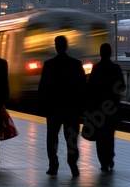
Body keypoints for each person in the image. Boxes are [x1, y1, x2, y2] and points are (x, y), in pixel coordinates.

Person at [38, 35, 86, 177]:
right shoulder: (76, 64)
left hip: (53, 109)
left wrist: (44, 105)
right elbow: (83, 87)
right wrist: (82, 107)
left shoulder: (49, 65)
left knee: (52, 138)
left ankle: (53, 165)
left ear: (56, 46)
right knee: (71, 138)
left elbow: (42, 88)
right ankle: (73, 164)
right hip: (72, 109)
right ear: (67, 46)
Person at [86, 43, 126, 172]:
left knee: (100, 136)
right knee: (109, 134)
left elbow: (90, 88)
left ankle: (103, 161)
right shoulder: (116, 68)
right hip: (112, 107)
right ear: (110, 53)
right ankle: (110, 157)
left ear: (100, 53)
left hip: (99, 108)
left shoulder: (96, 68)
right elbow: (122, 87)